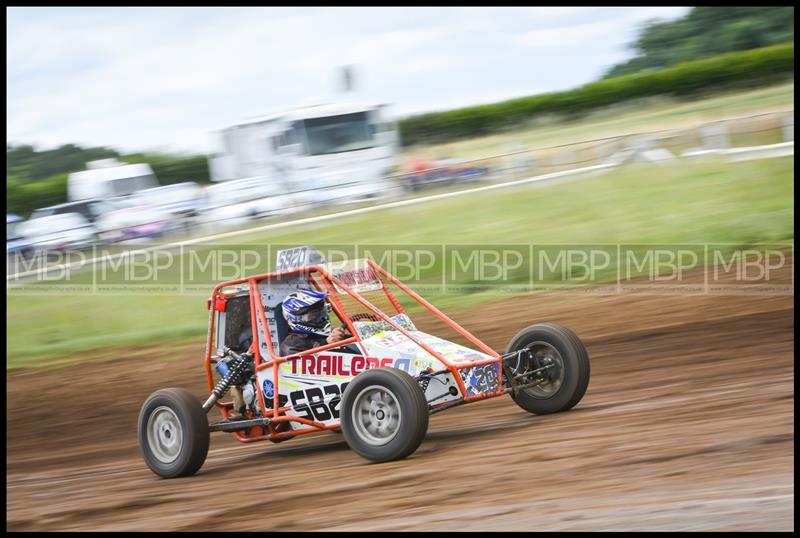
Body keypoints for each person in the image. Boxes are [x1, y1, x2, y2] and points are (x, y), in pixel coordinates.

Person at [279, 289, 347, 356]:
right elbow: (305, 365)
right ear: (296, 319)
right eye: (314, 315)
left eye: (322, 312)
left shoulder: (324, 335)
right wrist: (327, 343)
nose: (321, 317)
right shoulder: (290, 346)